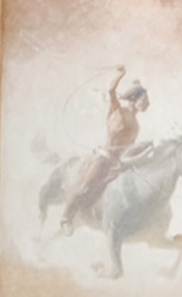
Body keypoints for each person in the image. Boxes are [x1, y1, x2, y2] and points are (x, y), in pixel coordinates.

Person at [56, 67, 149, 233]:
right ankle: (66, 218)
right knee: (85, 188)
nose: (147, 103)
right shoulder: (117, 110)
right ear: (134, 99)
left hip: (119, 163)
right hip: (104, 158)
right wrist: (121, 74)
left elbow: (129, 147)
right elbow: (111, 90)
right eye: (144, 99)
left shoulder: (137, 125)